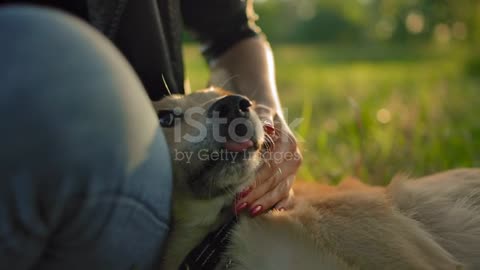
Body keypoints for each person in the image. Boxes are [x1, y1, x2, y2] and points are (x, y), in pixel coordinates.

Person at [0, 1, 301, 269]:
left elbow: (230, 33)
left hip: (144, 190)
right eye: (168, 117)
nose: (236, 108)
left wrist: (269, 115)